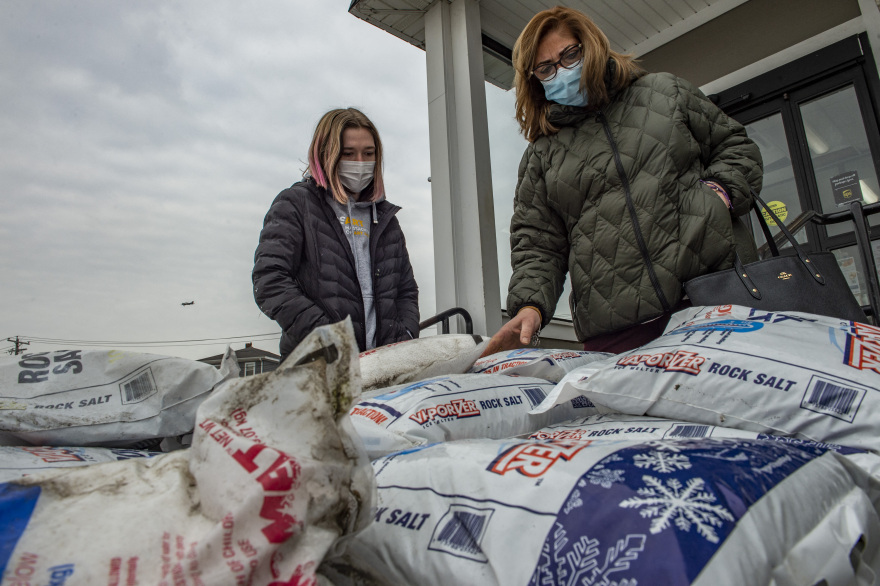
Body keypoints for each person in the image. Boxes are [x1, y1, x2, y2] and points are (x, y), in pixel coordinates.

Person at [484, 6, 763, 356]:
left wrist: (718, 194)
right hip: (618, 332)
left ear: (591, 46)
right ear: (534, 80)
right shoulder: (542, 156)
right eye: (546, 67)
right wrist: (529, 306)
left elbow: (736, 147)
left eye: (570, 54)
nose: (562, 71)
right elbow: (538, 245)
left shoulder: (665, 92)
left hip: (714, 292)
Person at [253, 108, 420, 360]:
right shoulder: (296, 204)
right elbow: (270, 280)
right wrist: (326, 339)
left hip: (384, 368)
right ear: (326, 154)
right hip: (318, 370)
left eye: (369, 153)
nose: (361, 163)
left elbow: (406, 290)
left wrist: (405, 334)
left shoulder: (386, 219)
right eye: (348, 153)